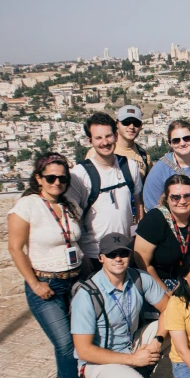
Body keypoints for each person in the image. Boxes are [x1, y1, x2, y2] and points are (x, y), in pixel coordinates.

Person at [7, 153, 85, 378]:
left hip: (74, 281)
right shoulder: (27, 206)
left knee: (67, 335)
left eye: (62, 178)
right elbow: (15, 248)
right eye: (51, 177)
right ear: (38, 178)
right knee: (65, 342)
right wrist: (34, 283)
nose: (57, 182)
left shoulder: (70, 204)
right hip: (46, 283)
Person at [70, 233, 170, 378]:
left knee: (176, 326)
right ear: (101, 258)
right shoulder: (87, 295)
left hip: (130, 344)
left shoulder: (139, 278)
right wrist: (133, 360)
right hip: (99, 361)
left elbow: (169, 309)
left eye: (122, 254)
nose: (118, 258)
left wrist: (157, 340)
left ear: (129, 256)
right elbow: (84, 351)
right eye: (111, 254)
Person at [68, 112, 144, 273]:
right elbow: (72, 218)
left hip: (125, 251)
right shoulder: (80, 174)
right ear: (90, 141)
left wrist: (138, 240)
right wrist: (83, 254)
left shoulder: (130, 167)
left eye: (108, 136)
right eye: (98, 138)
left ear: (116, 136)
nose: (105, 142)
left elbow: (139, 205)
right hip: (95, 254)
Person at [135, 175, 190, 295]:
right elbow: (144, 264)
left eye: (187, 196)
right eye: (175, 197)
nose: (182, 201)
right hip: (160, 282)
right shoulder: (154, 220)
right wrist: (165, 293)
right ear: (167, 198)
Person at [144, 120, 190, 211]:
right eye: (176, 140)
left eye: (187, 138)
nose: (182, 143)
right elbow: (152, 207)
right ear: (170, 143)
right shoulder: (158, 172)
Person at [87, 105, 151, 178]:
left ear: (141, 126)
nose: (131, 127)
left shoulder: (144, 156)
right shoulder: (98, 151)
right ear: (117, 124)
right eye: (126, 122)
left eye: (136, 123)